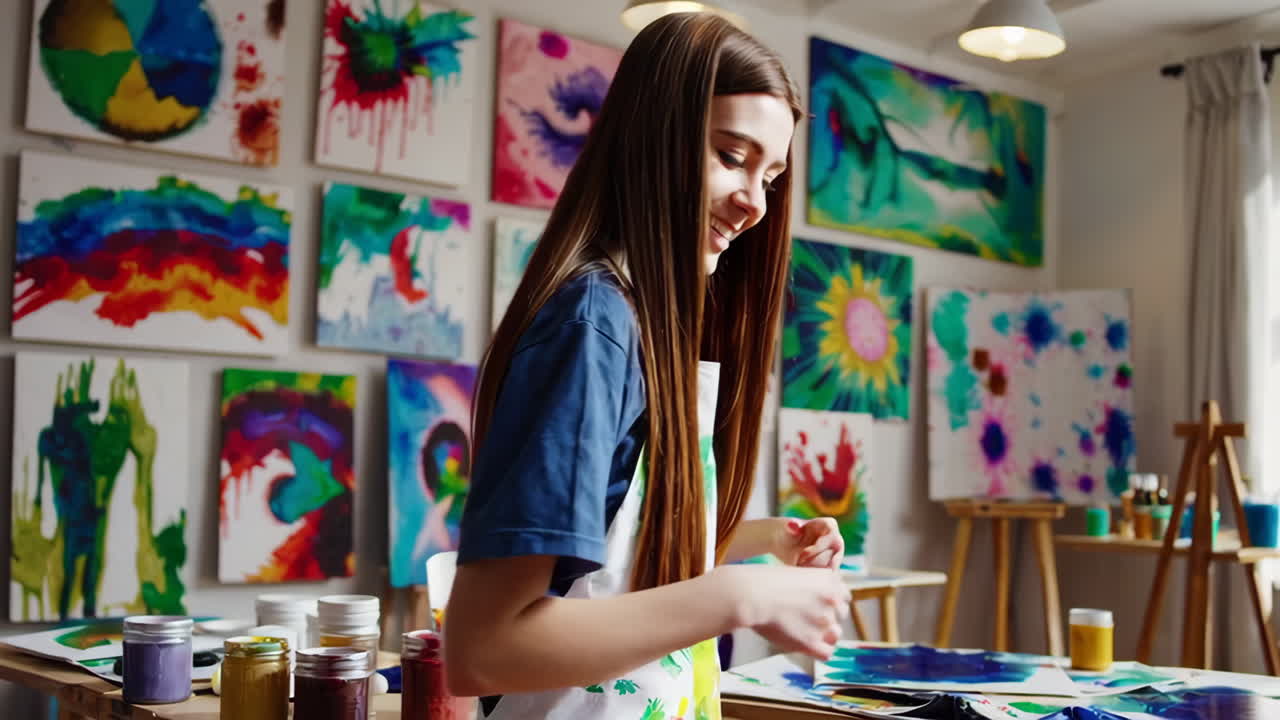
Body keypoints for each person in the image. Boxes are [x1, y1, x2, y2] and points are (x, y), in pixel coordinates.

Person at [446, 12, 850, 718]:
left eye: (772, 175)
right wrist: (740, 595)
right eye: (732, 156)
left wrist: (760, 542)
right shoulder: (593, 324)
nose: (756, 202)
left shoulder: (638, 319)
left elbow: (608, 554)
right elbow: (482, 648)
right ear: (652, 139)